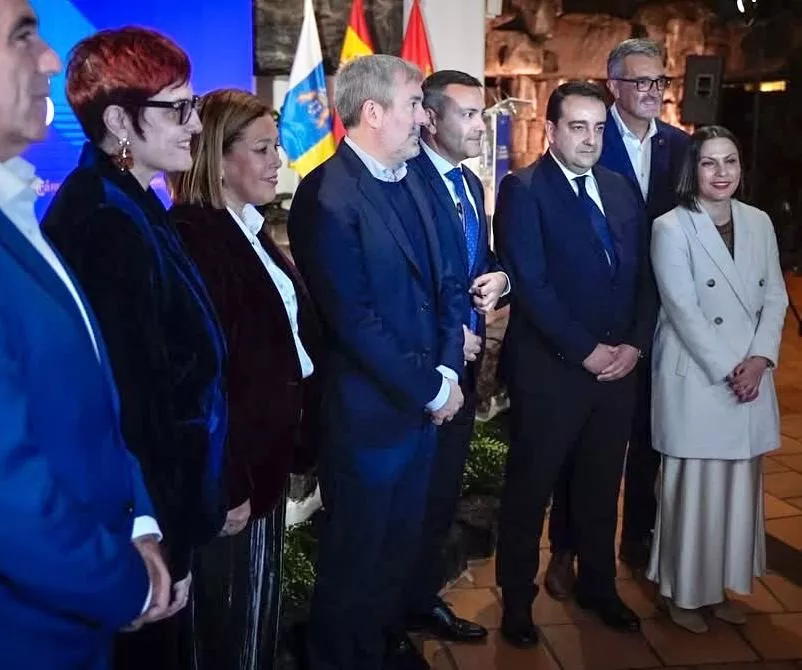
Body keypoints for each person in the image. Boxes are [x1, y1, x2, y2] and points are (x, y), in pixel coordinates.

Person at [41, 27, 227, 669]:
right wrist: (161, 539)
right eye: (179, 108)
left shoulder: (128, 200)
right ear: (119, 119)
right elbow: (133, 402)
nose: (196, 124)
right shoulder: (102, 219)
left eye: (193, 105)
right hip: (144, 518)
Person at [0, 3, 172, 668]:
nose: (50, 60)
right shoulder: (92, 209)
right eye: (22, 36)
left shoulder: (18, 213)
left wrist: (140, 520)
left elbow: (96, 402)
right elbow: (10, 496)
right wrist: (128, 582)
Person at [287, 54, 467, 670]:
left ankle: (381, 648)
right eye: (416, 105)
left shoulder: (416, 177)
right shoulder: (327, 194)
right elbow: (354, 320)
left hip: (420, 408)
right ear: (373, 112)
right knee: (353, 560)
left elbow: (448, 282)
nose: (426, 118)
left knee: (397, 551)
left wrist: (447, 372)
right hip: (368, 419)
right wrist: (431, 387)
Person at [493, 81, 656, 647]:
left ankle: (599, 588)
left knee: (599, 487)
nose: (590, 138)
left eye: (598, 128)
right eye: (578, 127)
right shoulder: (524, 188)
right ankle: (517, 603)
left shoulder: (618, 187)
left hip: (618, 372)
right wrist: (586, 351)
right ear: (552, 129)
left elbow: (643, 276)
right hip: (552, 374)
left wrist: (634, 345)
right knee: (529, 492)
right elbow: (531, 285)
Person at [168, 88, 322, 669]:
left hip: (267, 459)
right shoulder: (194, 236)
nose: (277, 159)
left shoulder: (248, 228)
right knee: (224, 624)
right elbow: (200, 376)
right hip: (231, 475)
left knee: (254, 616)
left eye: (276, 145)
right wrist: (228, 481)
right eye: (262, 149)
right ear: (218, 157)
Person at [546, 39, 690, 597]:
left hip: (664, 319)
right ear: (614, 87)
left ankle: (637, 541)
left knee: (652, 436)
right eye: (641, 82)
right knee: (581, 448)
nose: (652, 91)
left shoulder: (682, 147)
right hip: (595, 325)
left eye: (660, 82)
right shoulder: (590, 143)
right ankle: (566, 549)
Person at [648, 126, 787, 633]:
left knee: (737, 495)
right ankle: (683, 595)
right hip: (701, 379)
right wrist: (733, 368)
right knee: (694, 494)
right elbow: (682, 310)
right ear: (693, 170)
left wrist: (761, 360)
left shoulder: (759, 222)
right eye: (710, 163)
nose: (722, 172)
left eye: (730, 162)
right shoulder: (671, 227)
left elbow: (775, 296)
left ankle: (720, 588)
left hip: (750, 378)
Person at [404, 69, 510, 644]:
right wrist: (449, 339)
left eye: (483, 115)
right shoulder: (405, 179)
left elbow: (483, 260)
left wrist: (500, 282)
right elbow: (411, 286)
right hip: (423, 369)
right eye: (469, 115)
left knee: (442, 496)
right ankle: (390, 618)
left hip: (464, 369)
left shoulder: (470, 183)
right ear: (430, 117)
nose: (480, 127)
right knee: (409, 504)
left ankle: (421, 602)